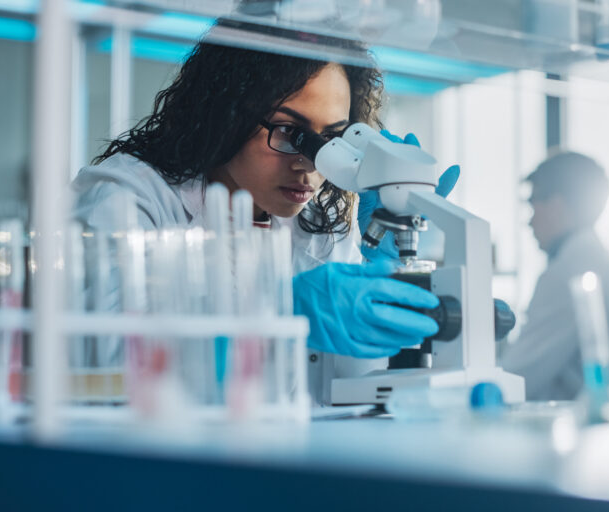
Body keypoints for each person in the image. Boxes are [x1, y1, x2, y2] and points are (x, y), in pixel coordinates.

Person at [71, 24, 458, 404]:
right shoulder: (129, 197)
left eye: (332, 139)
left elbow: (350, 389)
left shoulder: (319, 228)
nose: (309, 165)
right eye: (290, 132)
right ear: (224, 114)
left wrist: (385, 274)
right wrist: (282, 310)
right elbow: (110, 368)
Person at [499, 152, 609, 402]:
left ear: (557, 205)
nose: (529, 221)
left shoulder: (569, 273)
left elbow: (515, 379)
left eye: (533, 203)